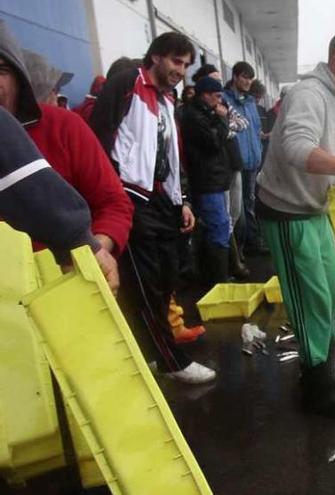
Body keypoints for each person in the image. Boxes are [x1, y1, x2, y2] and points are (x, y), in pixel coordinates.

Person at [256, 25, 335, 418]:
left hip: (316, 210)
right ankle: (314, 390)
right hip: (287, 211)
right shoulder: (309, 94)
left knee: (330, 295)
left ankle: (326, 373)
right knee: (308, 299)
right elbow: (296, 147)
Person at [90, 32, 215, 384]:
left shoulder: (167, 99)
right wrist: (108, 194)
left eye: (187, 65)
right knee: (144, 285)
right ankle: (170, 360)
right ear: (156, 57)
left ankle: (153, 353)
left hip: (163, 201)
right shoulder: (127, 83)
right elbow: (97, 139)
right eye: (177, 61)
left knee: (164, 280)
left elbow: (172, 155)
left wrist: (183, 199)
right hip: (130, 198)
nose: (182, 70)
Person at [0, 21, 132, 268]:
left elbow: (114, 204)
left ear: (20, 78)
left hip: (65, 289)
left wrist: (94, 257)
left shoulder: (65, 127)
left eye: (1, 69)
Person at [0, 106, 119, 291]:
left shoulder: (64, 125)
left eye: (3, 74)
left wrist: (87, 250)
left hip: (59, 286)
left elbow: (114, 202)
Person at [179, 76, 234, 285]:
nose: (220, 101)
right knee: (218, 226)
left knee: (218, 225)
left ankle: (216, 274)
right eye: (217, 96)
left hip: (214, 179)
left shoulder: (202, 113)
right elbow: (214, 142)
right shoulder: (194, 116)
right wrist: (222, 120)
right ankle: (217, 280)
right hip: (207, 181)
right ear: (206, 95)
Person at [223, 61, 263, 255]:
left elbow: (255, 130)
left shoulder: (250, 102)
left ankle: (250, 243)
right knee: (236, 209)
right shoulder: (224, 100)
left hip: (253, 161)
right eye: (245, 77)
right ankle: (239, 248)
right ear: (235, 76)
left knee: (250, 202)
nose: (248, 81)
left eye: (250, 78)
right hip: (235, 163)